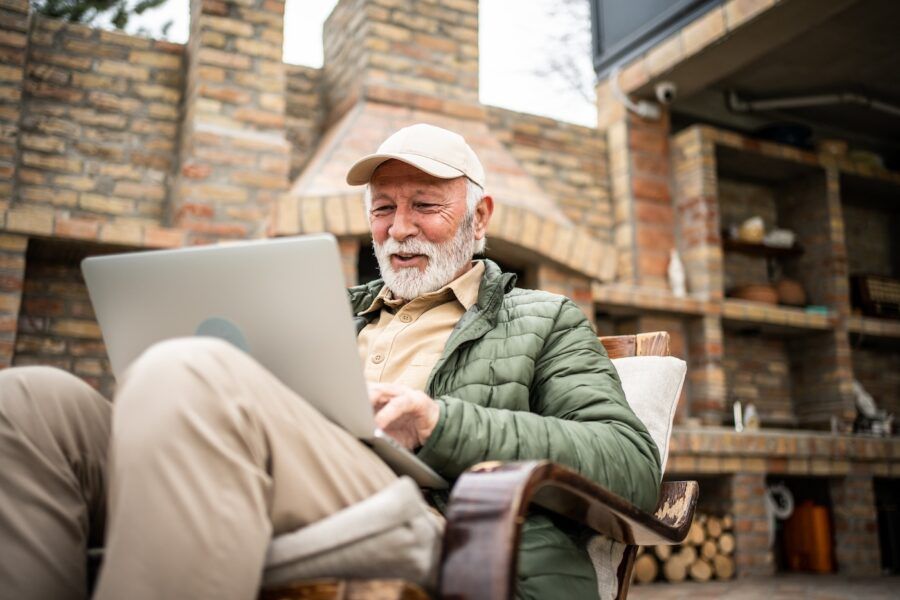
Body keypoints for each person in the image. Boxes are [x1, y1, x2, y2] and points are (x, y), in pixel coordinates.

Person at [0, 124, 661, 600]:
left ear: (479, 216)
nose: (399, 228)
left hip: (423, 505)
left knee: (191, 374)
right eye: (383, 208)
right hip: (279, 461)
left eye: (425, 206)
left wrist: (439, 422)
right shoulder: (319, 301)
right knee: (29, 402)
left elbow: (631, 465)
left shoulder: (543, 319)